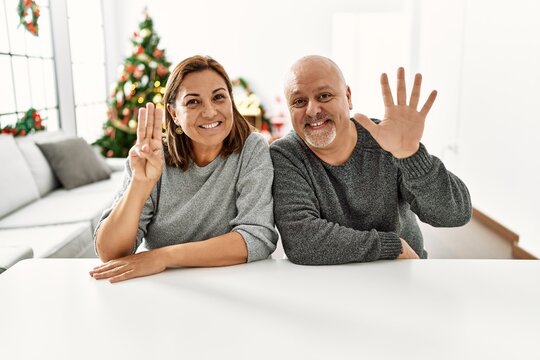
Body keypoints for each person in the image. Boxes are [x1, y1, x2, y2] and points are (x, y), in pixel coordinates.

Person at [90, 55, 277, 282]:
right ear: (174, 114)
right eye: (193, 102)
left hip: (234, 284)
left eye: (218, 97)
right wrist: (140, 183)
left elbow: (256, 238)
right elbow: (110, 253)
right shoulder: (152, 155)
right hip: (166, 288)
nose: (209, 112)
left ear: (231, 101)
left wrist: (163, 257)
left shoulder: (252, 149)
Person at [270, 55, 472, 264]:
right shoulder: (286, 154)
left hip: (401, 274)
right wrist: (392, 246)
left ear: (348, 97)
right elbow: (302, 240)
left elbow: (455, 214)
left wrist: (410, 155)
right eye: (299, 101)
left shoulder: (386, 141)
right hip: (330, 280)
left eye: (324, 96)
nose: (312, 110)